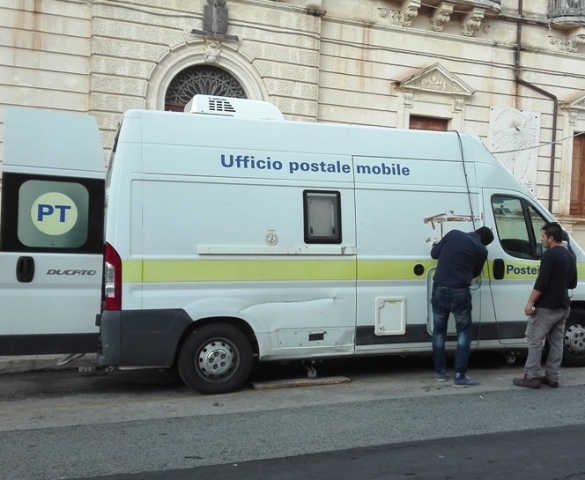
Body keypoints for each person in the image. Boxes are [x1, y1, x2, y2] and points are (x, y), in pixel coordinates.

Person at [513, 222, 577, 389]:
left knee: (535, 339)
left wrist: (530, 302)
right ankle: (553, 377)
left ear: (551, 238)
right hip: (563, 306)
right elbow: (573, 283)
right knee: (556, 342)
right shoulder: (570, 256)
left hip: (546, 308)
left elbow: (542, 282)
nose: (541, 239)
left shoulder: (550, 255)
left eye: (543, 236)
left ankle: (532, 376)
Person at [430, 226, 494, 387]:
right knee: (463, 334)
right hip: (460, 293)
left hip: (439, 289)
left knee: (438, 332)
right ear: (485, 243)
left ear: (476, 231)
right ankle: (459, 377)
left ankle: (440, 373)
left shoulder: (453, 234)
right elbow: (475, 273)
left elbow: (434, 254)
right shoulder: (482, 251)